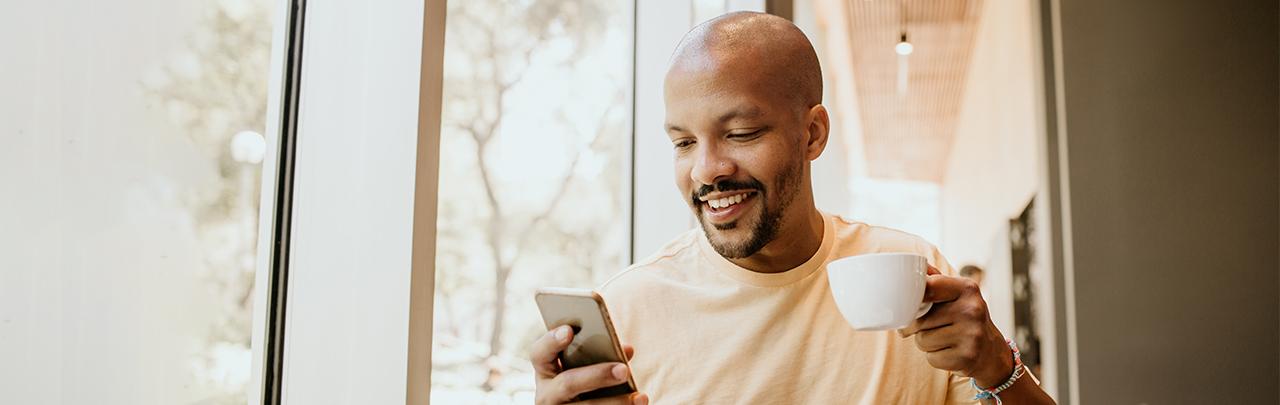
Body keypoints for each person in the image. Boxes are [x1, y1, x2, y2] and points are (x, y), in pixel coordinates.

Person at [530, 11, 1055, 405]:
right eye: (684, 142)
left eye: (740, 133)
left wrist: (997, 366)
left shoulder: (910, 269)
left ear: (812, 133)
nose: (706, 170)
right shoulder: (628, 312)